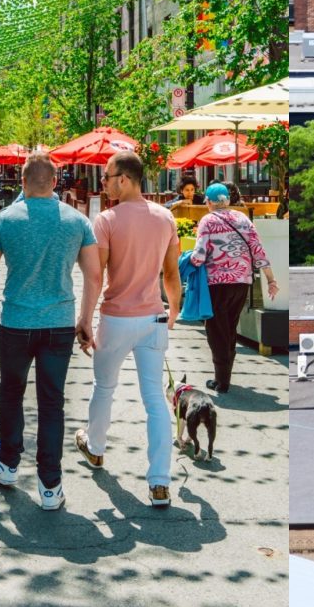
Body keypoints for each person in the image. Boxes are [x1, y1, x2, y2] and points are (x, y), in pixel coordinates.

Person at [0, 151, 100, 512]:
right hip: (59, 325)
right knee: (52, 402)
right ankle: (50, 484)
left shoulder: (4, 221)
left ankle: (8, 465)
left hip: (16, 323)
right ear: (56, 182)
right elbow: (93, 275)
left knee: (11, 393)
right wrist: (86, 319)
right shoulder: (77, 222)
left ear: (22, 182)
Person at [75, 151, 183, 507]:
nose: (103, 183)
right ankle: (159, 482)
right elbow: (171, 273)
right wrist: (174, 310)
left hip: (117, 318)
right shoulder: (165, 218)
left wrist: (85, 319)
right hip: (153, 318)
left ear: (124, 178)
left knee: (104, 387)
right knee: (155, 401)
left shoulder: (106, 220)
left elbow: (96, 274)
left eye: (106, 177)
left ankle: (95, 448)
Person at [189, 183, 277, 392]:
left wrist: (186, 263)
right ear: (227, 200)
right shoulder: (243, 219)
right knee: (230, 328)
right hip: (241, 282)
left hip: (217, 284)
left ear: (209, 202)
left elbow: (199, 255)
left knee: (216, 330)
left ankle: (222, 380)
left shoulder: (207, 221)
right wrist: (271, 280)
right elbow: (258, 250)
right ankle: (224, 374)